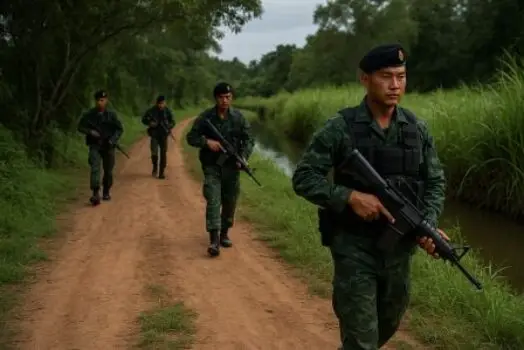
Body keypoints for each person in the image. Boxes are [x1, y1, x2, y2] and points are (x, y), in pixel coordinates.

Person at [291, 44, 447, 350]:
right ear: (365, 79)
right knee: (363, 339)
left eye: (401, 77)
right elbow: (304, 178)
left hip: (398, 253)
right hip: (354, 248)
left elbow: (435, 182)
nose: (395, 85)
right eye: (386, 76)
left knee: (384, 327)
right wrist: (348, 196)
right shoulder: (341, 128)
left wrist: (427, 224)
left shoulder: (417, 129)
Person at [186, 82, 254, 257]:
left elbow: (249, 140)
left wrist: (243, 157)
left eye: (228, 97)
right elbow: (191, 137)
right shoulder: (206, 117)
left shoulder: (239, 118)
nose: (225, 100)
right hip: (212, 165)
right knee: (213, 199)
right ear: (216, 98)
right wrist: (207, 142)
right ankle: (214, 240)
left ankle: (224, 233)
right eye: (222, 97)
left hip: (232, 167)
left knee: (230, 201)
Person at [77, 90, 124, 205]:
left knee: (108, 170)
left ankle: (106, 191)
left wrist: (112, 140)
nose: (100, 103)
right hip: (95, 145)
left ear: (106, 101)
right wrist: (90, 132)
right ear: (95, 101)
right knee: (95, 168)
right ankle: (95, 192)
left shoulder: (111, 115)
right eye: (98, 100)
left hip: (108, 146)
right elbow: (80, 127)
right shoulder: (89, 115)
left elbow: (119, 129)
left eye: (102, 100)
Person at [141, 95, 176, 179]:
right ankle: (155, 167)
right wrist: (150, 123)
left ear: (165, 103)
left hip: (164, 135)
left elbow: (173, 122)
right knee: (154, 152)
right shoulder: (151, 111)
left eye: (162, 103)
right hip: (154, 134)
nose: (161, 105)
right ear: (157, 103)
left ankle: (161, 172)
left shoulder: (167, 111)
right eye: (159, 103)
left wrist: (168, 126)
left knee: (163, 153)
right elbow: (144, 119)